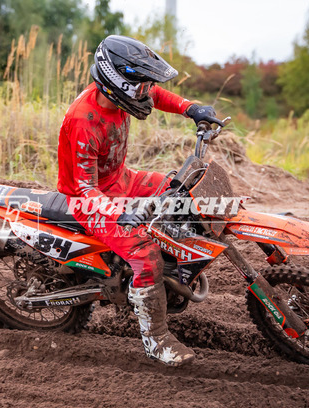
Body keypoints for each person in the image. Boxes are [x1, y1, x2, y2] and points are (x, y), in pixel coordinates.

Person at [57, 35, 219, 367]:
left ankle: (173, 271)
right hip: (88, 201)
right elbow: (85, 189)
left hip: (120, 180)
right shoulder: (84, 121)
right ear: (118, 83)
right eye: (141, 86)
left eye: (147, 85)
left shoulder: (121, 95)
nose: (147, 92)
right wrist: (119, 213)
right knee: (146, 254)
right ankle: (156, 340)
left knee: (180, 190)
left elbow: (155, 94)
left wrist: (191, 108)